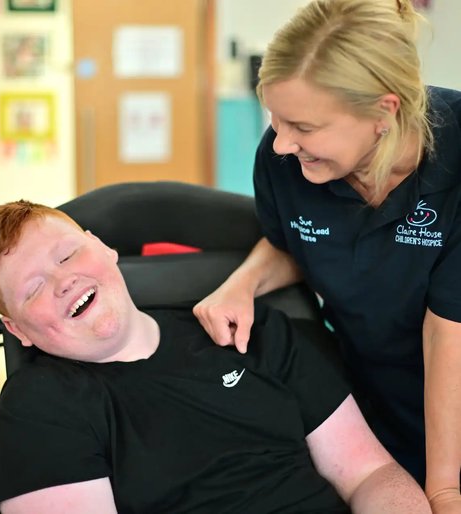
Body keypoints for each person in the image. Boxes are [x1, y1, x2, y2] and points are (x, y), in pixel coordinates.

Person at [0, 200, 432, 514]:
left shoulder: (252, 332)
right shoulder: (38, 409)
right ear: (16, 330)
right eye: (33, 290)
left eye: (67, 256)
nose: (62, 281)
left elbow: (371, 475)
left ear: (104, 248)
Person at [192, 0, 461, 512]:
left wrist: (444, 488)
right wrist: (245, 281)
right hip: (379, 402)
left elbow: (448, 331)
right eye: (275, 119)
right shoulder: (285, 163)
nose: (280, 144)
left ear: (384, 111)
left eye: (303, 127)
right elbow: (301, 241)